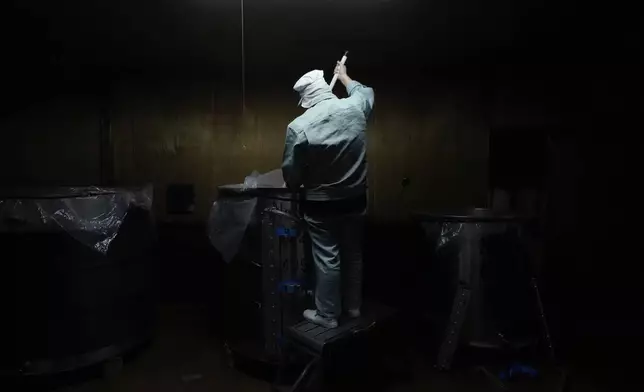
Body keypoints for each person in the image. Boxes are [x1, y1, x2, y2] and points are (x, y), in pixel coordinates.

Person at [281, 62, 375, 328]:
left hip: (321, 206)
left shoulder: (299, 126)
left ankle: (327, 314)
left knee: (328, 257)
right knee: (353, 253)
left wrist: (300, 181)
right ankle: (353, 307)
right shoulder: (355, 106)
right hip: (356, 200)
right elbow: (367, 92)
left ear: (306, 99)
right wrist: (345, 78)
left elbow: (291, 176)